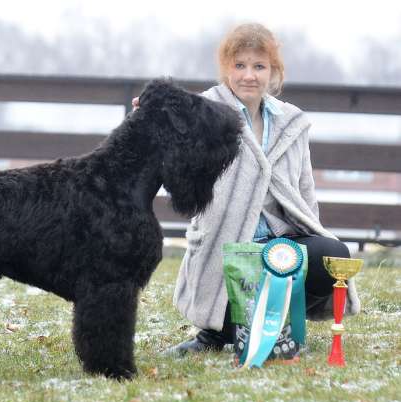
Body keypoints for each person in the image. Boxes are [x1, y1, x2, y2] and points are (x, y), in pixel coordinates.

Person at [134, 23, 360, 356]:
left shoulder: (292, 121)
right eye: (239, 65)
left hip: (283, 243)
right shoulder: (203, 112)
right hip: (228, 244)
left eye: (259, 66)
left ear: (273, 72)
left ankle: (284, 321)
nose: (249, 75)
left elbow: (304, 188)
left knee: (332, 255)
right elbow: (167, 135)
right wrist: (152, 117)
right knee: (231, 294)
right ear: (226, 69)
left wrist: (314, 233)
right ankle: (214, 334)